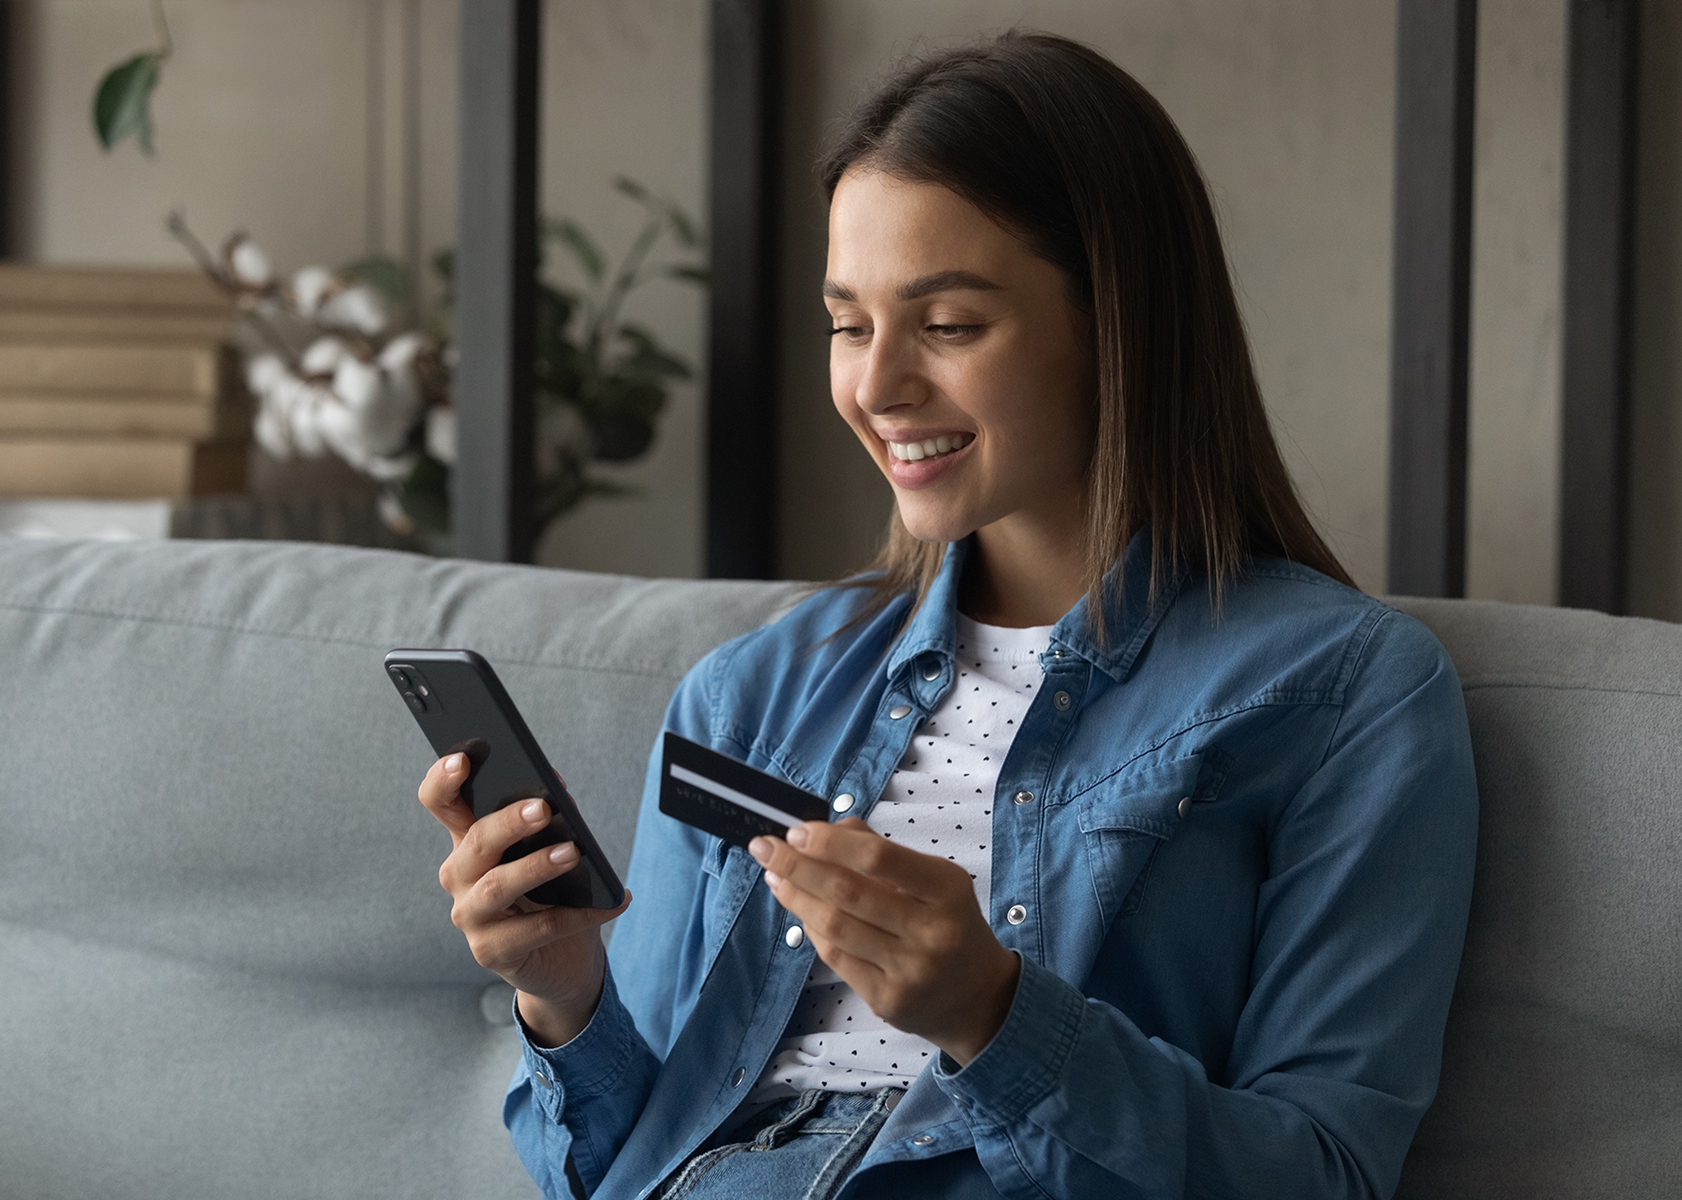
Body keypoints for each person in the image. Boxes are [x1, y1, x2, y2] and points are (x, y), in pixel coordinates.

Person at [417, 30, 1477, 1200]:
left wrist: (996, 1017)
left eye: (950, 324)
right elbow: (620, 1168)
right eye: (848, 323)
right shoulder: (748, 696)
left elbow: (1320, 1178)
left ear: (1116, 325)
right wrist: (564, 995)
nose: (876, 388)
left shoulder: (1340, 691)